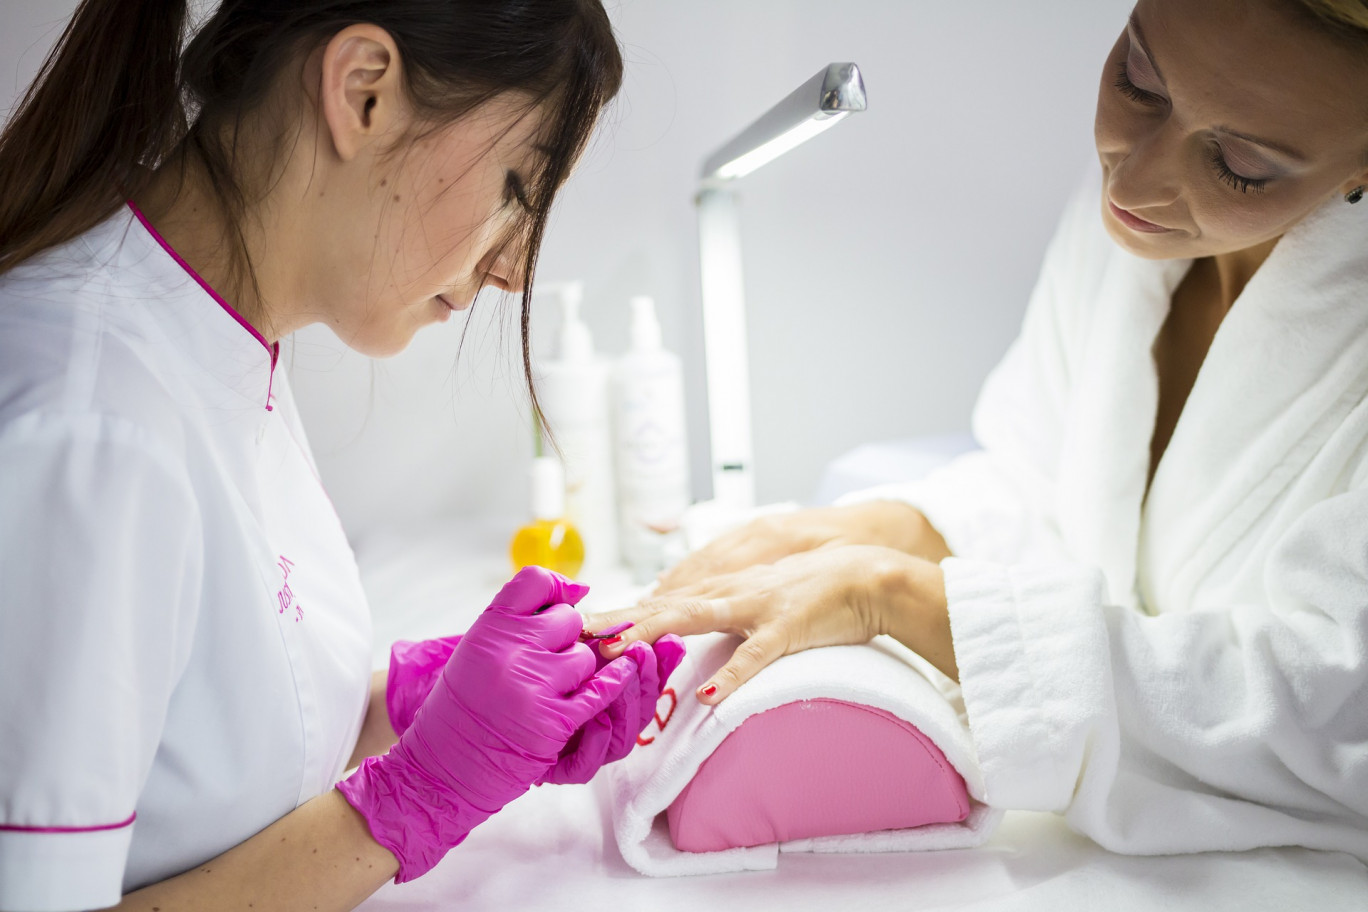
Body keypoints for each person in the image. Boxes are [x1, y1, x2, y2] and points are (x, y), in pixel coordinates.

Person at [591, 0, 1368, 862]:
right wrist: (889, 530)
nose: (1132, 179)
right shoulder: (1138, 217)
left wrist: (901, 598)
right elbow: (1047, 480)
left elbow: (1333, 708)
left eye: (1242, 164)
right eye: (1137, 81)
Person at [0, 1, 683, 910]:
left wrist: (411, 707)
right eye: (519, 190)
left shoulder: (214, 337)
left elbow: (200, 732)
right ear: (362, 91)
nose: (515, 269)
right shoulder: (96, 427)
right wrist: (414, 797)